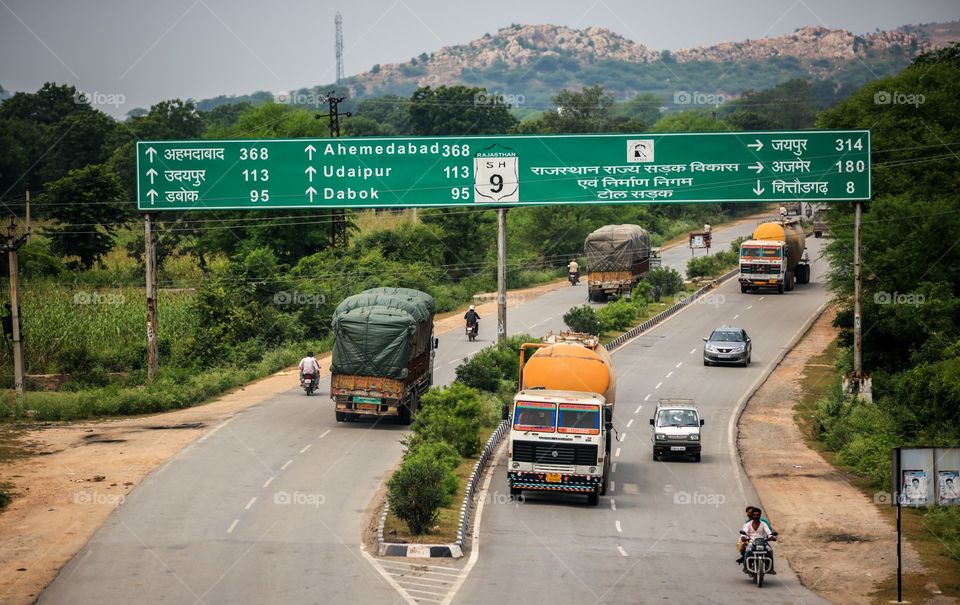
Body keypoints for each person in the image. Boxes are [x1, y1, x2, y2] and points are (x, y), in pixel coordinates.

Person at [739, 507, 776, 574]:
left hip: (763, 542)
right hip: (751, 542)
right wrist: (743, 537)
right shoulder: (748, 524)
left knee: (770, 550)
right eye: (754, 515)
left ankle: (771, 568)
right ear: (752, 516)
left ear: (760, 515)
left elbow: (768, 532)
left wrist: (772, 537)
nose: (756, 516)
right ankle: (746, 567)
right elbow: (744, 532)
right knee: (747, 550)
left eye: (758, 515)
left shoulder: (763, 524)